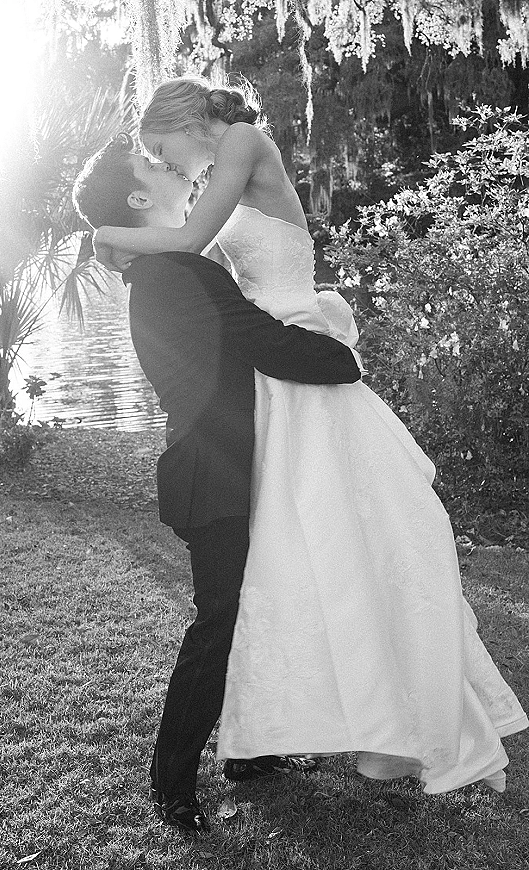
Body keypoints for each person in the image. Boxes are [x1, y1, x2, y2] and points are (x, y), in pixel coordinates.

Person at [93, 74, 528, 800]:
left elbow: (194, 241)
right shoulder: (206, 188)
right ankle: (283, 733)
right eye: (152, 160)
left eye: (158, 148)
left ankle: (372, 719)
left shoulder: (241, 140)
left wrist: (107, 235)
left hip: (293, 348)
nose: (163, 163)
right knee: (300, 557)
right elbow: (197, 262)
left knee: (348, 539)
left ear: (178, 119)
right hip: (272, 374)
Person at [72, 134, 362, 834]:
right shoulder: (177, 274)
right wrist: (343, 349)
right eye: (154, 165)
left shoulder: (166, 268)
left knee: (249, 612)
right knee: (220, 624)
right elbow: (266, 343)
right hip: (213, 475)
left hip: (226, 466)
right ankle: (171, 783)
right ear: (141, 197)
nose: (170, 166)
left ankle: (250, 752)